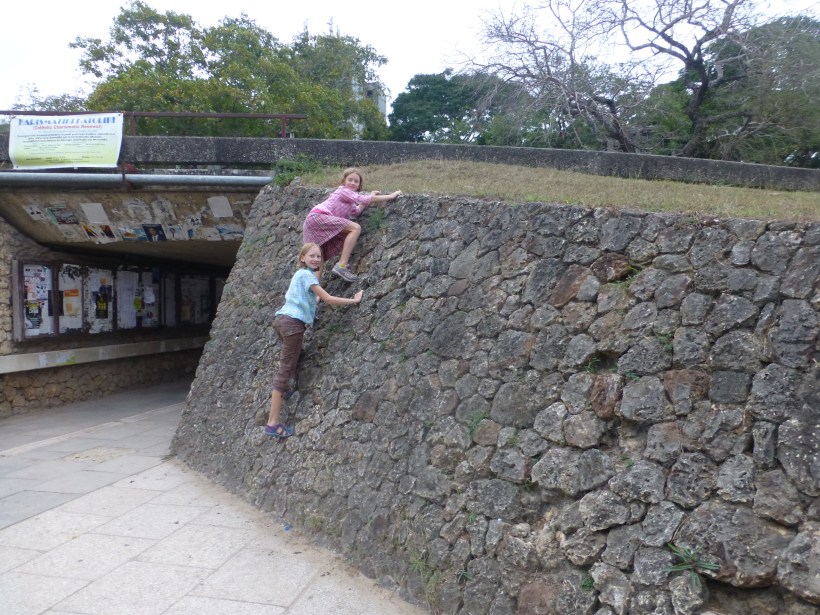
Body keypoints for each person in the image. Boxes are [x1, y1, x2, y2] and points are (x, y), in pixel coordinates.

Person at [265, 243, 364, 438]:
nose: (316, 259)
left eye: (319, 256)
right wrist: (354, 300)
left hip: (282, 321)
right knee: (284, 371)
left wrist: (314, 301)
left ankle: (287, 387)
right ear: (302, 257)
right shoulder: (308, 276)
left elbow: (310, 299)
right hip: (293, 326)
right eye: (312, 256)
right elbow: (327, 299)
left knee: (294, 358)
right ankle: (272, 422)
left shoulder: (299, 275)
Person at [303, 167, 401, 282]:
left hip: (314, 220)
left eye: (356, 181)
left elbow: (357, 210)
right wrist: (392, 196)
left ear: (359, 185)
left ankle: (315, 293)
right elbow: (363, 199)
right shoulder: (343, 191)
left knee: (319, 254)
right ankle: (341, 266)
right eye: (350, 180)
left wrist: (370, 196)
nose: (353, 183)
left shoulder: (349, 199)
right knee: (355, 228)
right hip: (318, 217)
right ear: (343, 181)